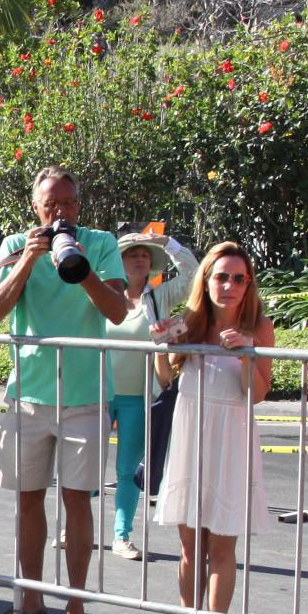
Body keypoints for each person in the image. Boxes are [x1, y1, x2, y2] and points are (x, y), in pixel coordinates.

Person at [0, 166, 131, 614]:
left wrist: (81, 268)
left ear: (78, 205)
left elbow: (117, 310)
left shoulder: (101, 242)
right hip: (28, 394)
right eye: (51, 205)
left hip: (85, 395)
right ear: (35, 207)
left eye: (68, 203)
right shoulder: (14, 244)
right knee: (28, 500)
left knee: (76, 500)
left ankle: (76, 610)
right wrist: (28, 259)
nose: (60, 212)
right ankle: (30, 601)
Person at [152, 243, 274, 614]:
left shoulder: (259, 327)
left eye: (239, 278)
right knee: (189, 547)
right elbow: (166, 377)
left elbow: (257, 393)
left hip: (231, 437)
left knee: (221, 546)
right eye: (222, 276)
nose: (230, 286)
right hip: (190, 433)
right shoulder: (190, 322)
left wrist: (246, 352)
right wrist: (164, 345)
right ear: (206, 280)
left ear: (248, 284)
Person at [102, 230, 199, 561]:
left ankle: (121, 536)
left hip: (139, 398)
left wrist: (166, 243)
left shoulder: (160, 297)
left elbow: (193, 275)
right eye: (132, 254)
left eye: (145, 254)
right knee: (84, 469)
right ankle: (74, 529)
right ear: (119, 261)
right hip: (97, 394)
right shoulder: (101, 294)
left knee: (128, 470)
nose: (139, 259)